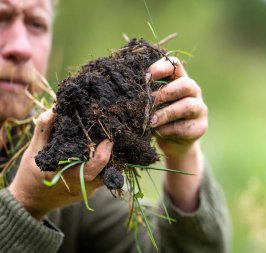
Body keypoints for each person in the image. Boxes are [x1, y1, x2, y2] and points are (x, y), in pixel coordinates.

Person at [0, 0, 230, 252]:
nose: (21, 47)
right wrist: (27, 202)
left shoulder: (69, 170)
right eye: (1, 18)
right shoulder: (47, 182)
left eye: (36, 24)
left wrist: (183, 154)